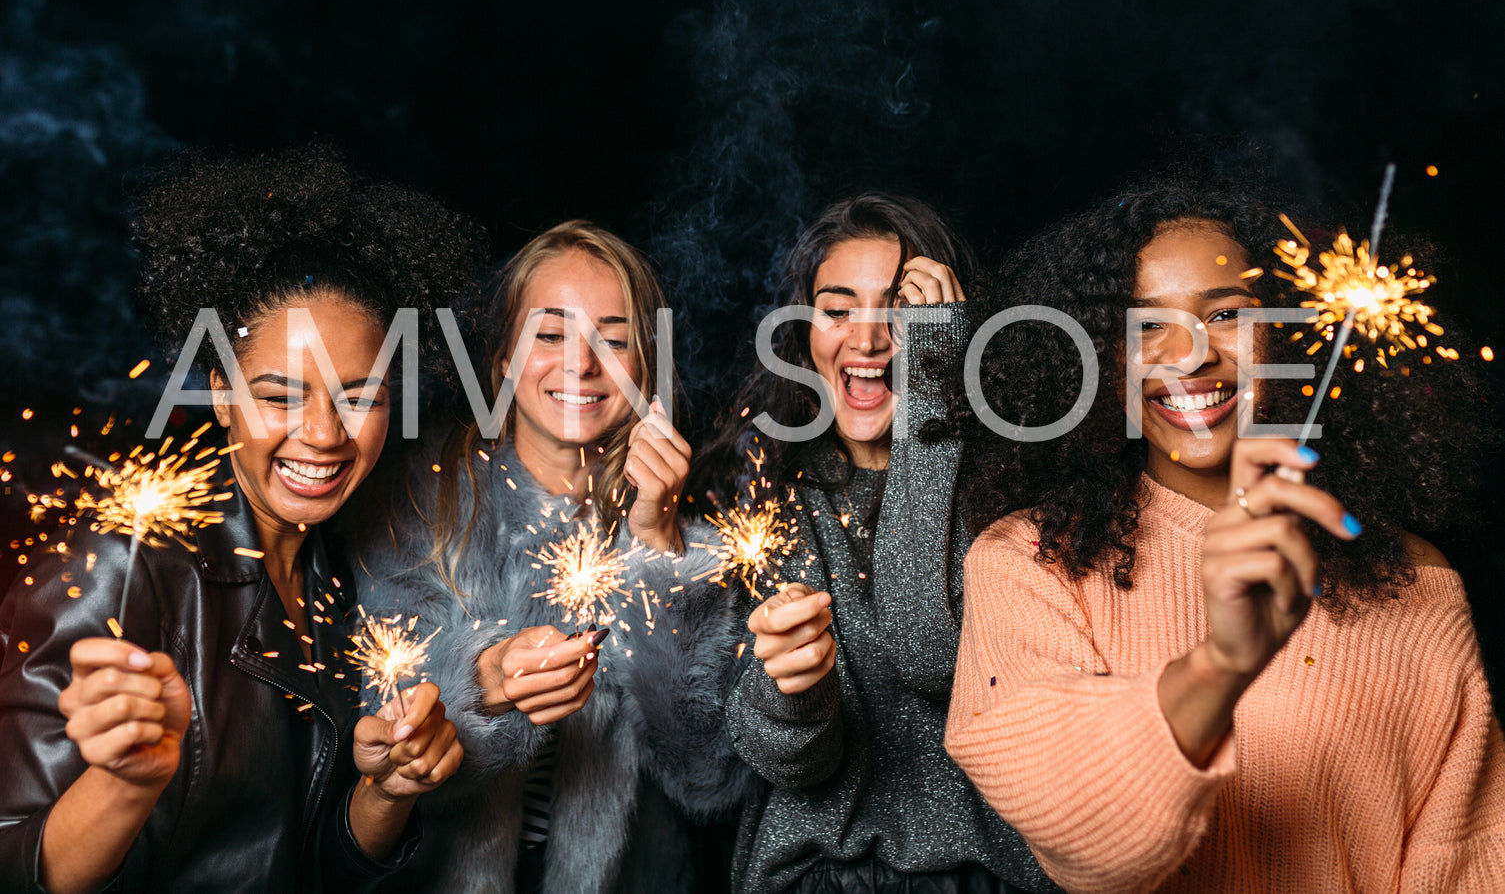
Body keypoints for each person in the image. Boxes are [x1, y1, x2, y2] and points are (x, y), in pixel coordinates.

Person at [945, 180, 1505, 892]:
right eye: (1145, 326)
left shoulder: (1414, 578)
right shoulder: (1027, 561)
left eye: (1228, 313)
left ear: (1286, 332)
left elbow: (1468, 856)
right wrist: (1220, 662)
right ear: (1096, 358)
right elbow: (1079, 843)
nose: (1189, 354)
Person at [0, 146, 476, 893]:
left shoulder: (343, 574)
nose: (323, 434)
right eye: (280, 394)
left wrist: (386, 793)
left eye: (360, 396)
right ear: (221, 393)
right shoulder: (119, 566)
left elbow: (311, 867)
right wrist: (126, 784)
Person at [350, 220, 746, 893]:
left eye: (613, 340)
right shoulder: (421, 503)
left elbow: (707, 774)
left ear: (644, 366)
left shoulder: (690, 542)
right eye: (550, 334)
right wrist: (487, 679)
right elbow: (384, 722)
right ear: (503, 358)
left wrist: (657, 544)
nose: (581, 363)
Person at [697, 194, 1054, 893]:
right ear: (802, 335)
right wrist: (793, 690)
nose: (866, 340)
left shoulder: (1013, 496)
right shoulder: (760, 495)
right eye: (837, 309)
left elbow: (929, 647)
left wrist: (934, 379)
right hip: (816, 873)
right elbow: (791, 763)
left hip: (989, 874)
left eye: (900, 311)